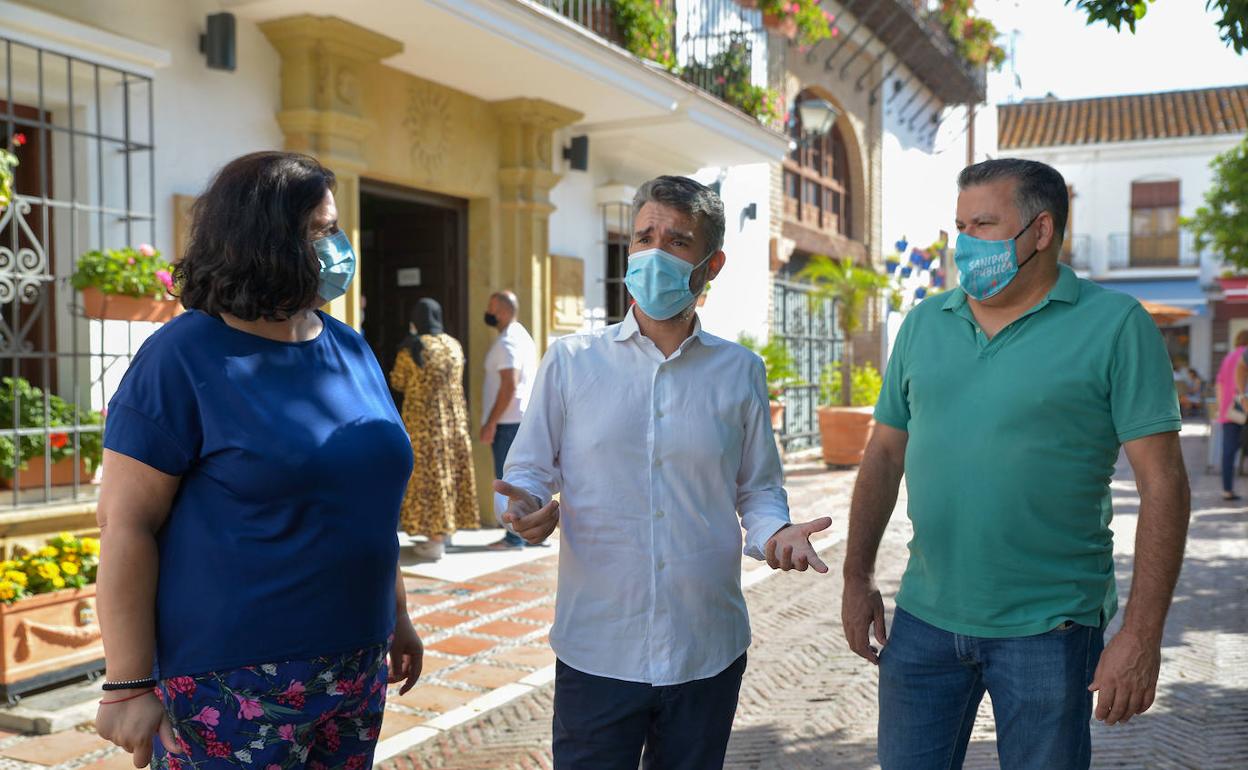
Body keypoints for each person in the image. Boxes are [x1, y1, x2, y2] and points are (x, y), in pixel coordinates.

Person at [842, 158, 1191, 770]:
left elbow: (1164, 484)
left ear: (1041, 230)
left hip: (1050, 628)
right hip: (923, 619)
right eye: (960, 227)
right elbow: (884, 454)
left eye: (984, 224)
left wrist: (1141, 634)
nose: (965, 245)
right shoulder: (926, 323)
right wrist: (857, 575)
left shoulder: (1115, 326)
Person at [93, 152, 423, 767]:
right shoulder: (182, 356)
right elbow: (123, 524)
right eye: (320, 231)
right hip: (232, 682)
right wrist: (127, 682)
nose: (337, 246)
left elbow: (367, 499)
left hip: (356, 664)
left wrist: (397, 613)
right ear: (265, 242)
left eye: (334, 228)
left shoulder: (348, 347)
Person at [496, 175, 833, 769]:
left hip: (705, 648)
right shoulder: (571, 362)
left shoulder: (740, 371)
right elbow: (526, 473)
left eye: (677, 241)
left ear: (712, 263)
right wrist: (522, 510)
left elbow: (757, 488)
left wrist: (774, 533)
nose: (654, 253)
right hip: (598, 646)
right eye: (644, 237)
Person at [390, 298, 480, 560]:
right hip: (453, 421)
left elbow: (398, 381)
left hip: (424, 423)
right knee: (450, 474)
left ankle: (435, 539)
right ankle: (445, 531)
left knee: (429, 480)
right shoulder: (453, 344)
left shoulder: (415, 348)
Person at [478, 290, 538, 551]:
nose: (488, 313)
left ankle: (514, 536)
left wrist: (491, 421)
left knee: (507, 481)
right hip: (520, 419)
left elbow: (508, 385)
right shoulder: (521, 335)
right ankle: (531, 535)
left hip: (507, 422)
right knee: (525, 478)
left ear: (501, 311)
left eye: (491, 307)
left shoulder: (507, 342)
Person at [1217, 332, 1248, 499]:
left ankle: (1227, 489)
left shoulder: (1228, 358)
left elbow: (1220, 384)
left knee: (1228, 451)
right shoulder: (1245, 356)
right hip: (1245, 408)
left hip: (1230, 411)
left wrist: (1221, 410)